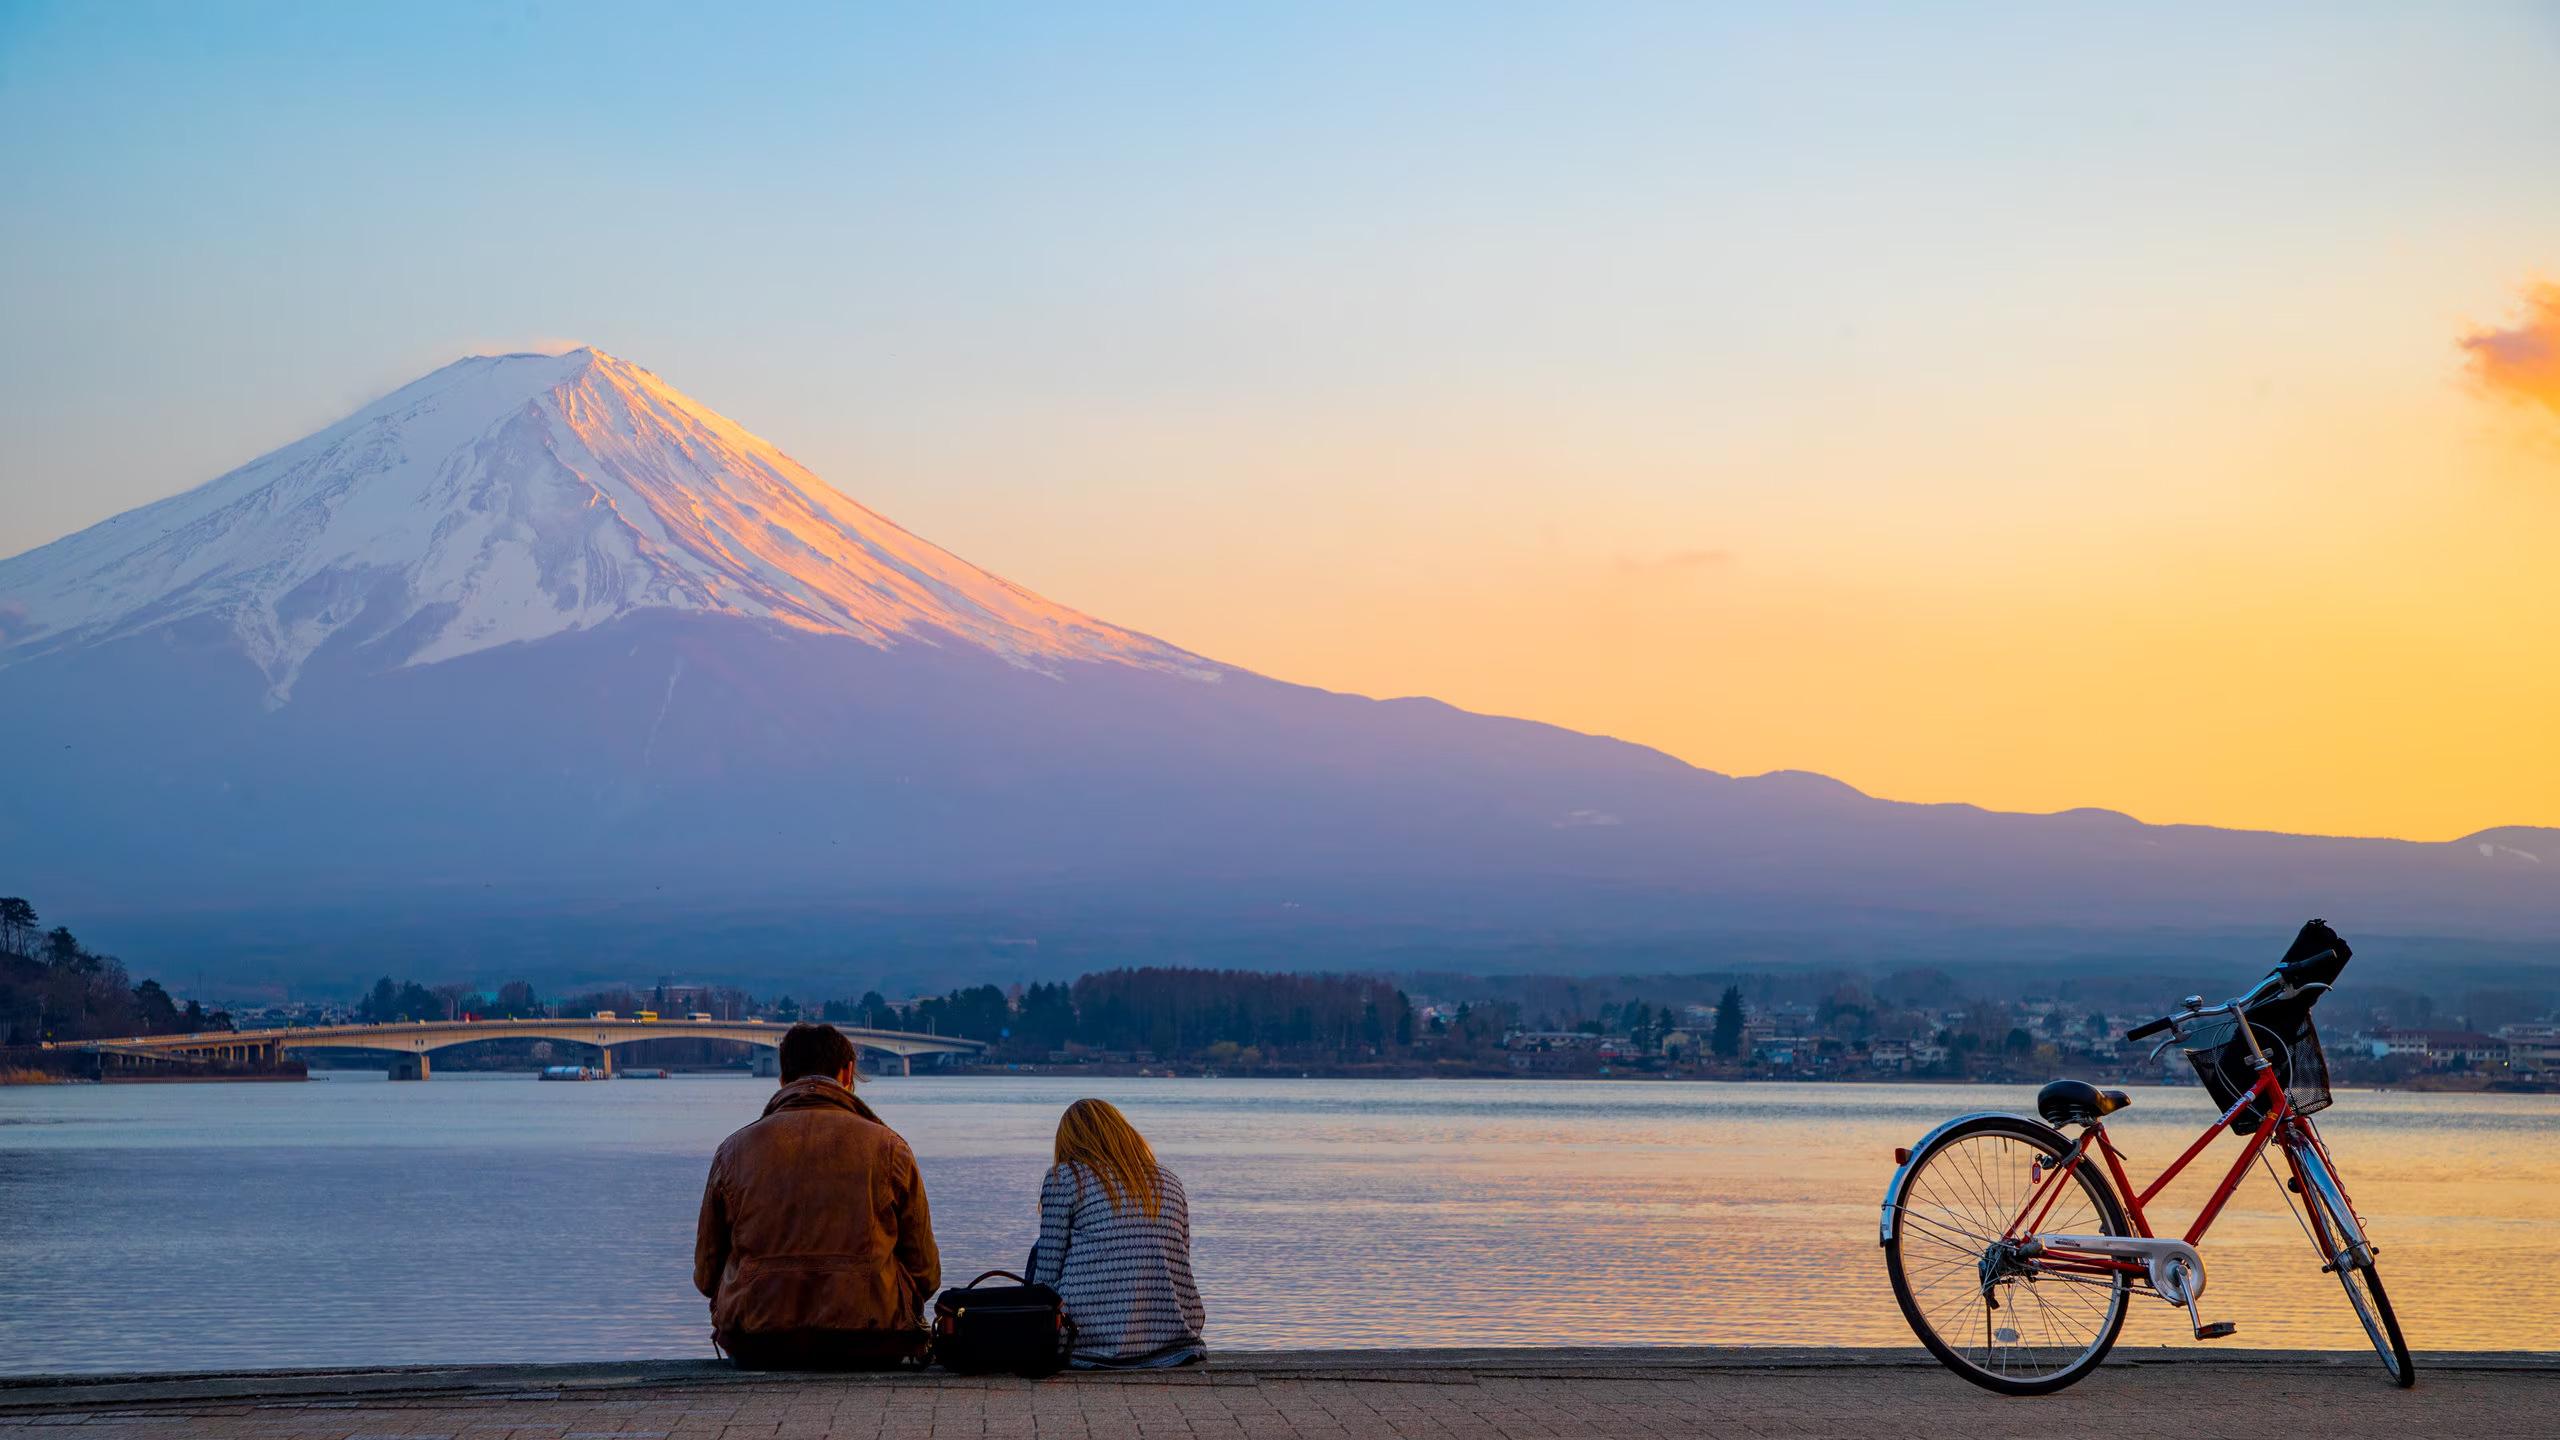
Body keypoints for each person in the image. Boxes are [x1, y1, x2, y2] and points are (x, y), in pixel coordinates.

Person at [693, 1022, 939, 1369]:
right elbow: (926, 1271)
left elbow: (706, 1274)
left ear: (782, 1077)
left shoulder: (733, 1151)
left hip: (758, 1343)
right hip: (871, 1339)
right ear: (847, 1071)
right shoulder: (890, 1148)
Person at [1027, 1099, 1207, 1368]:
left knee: (1041, 1250)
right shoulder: (1169, 1180)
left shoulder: (1066, 1177)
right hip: (1173, 1340)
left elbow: (1047, 1279)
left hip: (1088, 1343)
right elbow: (1181, 1257)